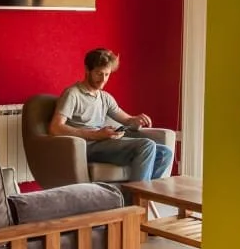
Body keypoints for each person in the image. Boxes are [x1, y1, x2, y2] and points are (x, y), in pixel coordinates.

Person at [49, 48, 173, 183]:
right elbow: (55, 128)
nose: (103, 80)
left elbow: (127, 120)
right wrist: (96, 135)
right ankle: (137, 199)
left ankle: (136, 197)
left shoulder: (105, 98)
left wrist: (136, 120)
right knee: (146, 146)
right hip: (85, 147)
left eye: (107, 75)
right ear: (87, 69)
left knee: (164, 153)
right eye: (99, 73)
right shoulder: (72, 94)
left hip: (105, 144)